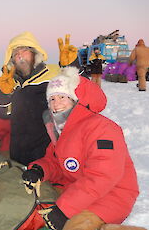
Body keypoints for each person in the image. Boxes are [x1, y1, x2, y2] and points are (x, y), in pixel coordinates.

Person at [21, 67, 140, 230]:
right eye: (52, 99)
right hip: (78, 190)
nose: (56, 104)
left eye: (62, 97)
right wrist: (39, 170)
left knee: (73, 226)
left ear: (75, 99)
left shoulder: (102, 128)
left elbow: (102, 176)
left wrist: (64, 210)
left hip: (112, 195)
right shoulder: (62, 129)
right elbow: (55, 161)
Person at [0, 31, 83, 166]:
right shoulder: (11, 82)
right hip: (19, 156)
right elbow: (3, 113)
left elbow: (83, 96)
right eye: (15, 53)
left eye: (24, 50)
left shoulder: (54, 73)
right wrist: (4, 94)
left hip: (50, 159)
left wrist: (72, 67)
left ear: (35, 52)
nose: (19, 55)